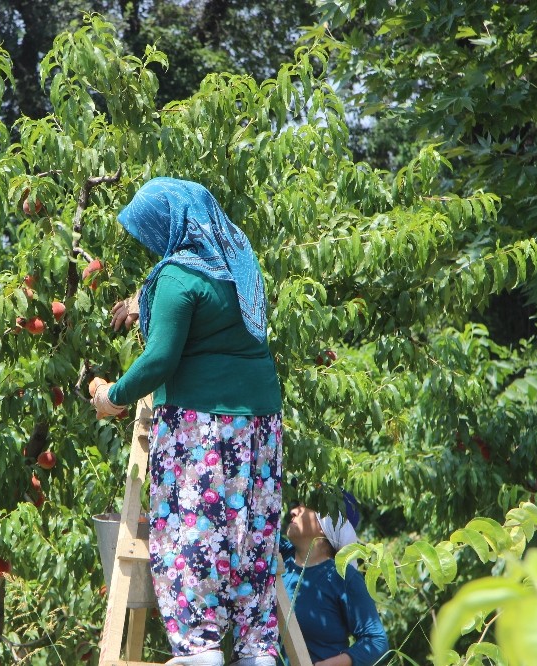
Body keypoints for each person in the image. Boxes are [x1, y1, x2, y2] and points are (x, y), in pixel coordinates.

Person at [90, 177, 284, 666]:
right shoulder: (239, 262)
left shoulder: (177, 275)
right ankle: (257, 649)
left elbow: (159, 361)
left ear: (169, 225)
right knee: (248, 531)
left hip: (203, 427)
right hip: (259, 426)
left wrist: (110, 396)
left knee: (191, 530)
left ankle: (199, 650)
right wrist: (143, 300)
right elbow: (204, 306)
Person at [280, 503, 389, 666]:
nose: (293, 511)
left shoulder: (342, 577)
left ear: (325, 523)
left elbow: (377, 641)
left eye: (303, 508)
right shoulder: (279, 556)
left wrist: (330, 664)